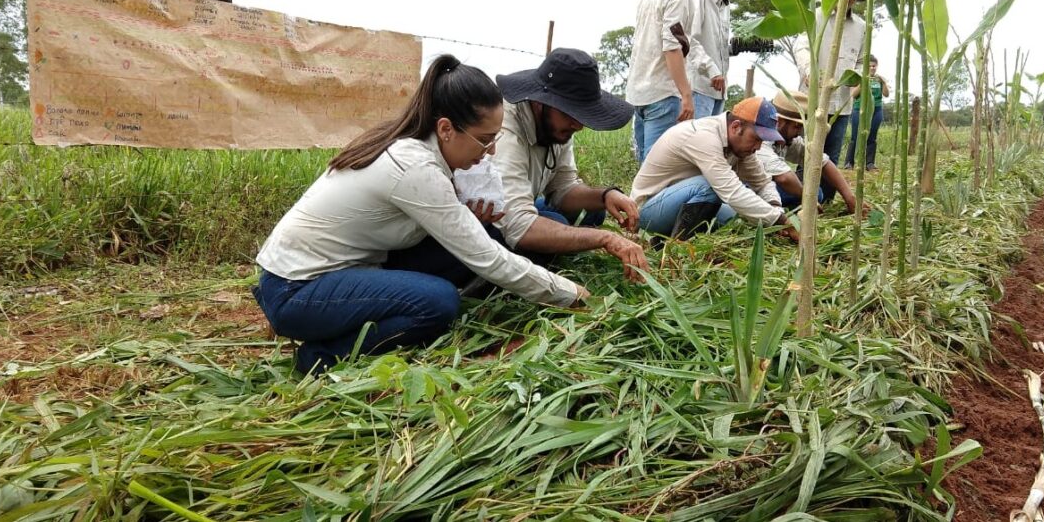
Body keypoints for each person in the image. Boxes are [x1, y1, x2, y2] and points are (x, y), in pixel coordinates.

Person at [252, 55, 588, 375]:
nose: (491, 152)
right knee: (436, 303)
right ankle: (321, 356)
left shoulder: (419, 148)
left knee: (481, 234)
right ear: (445, 129)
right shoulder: (415, 167)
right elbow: (489, 260)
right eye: (485, 141)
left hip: (340, 271)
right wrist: (571, 295)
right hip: (295, 289)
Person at [490, 48, 650, 282]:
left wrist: (606, 195)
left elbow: (563, 188)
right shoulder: (505, 128)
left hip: (521, 202)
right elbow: (518, 225)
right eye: (570, 113)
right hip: (490, 218)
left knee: (593, 212)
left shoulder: (558, 125)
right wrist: (605, 239)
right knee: (557, 225)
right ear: (539, 103)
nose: (578, 125)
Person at [632, 96, 799, 242]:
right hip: (647, 211)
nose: (758, 147)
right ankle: (678, 249)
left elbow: (762, 182)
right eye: (756, 139)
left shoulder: (741, 148)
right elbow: (731, 191)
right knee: (710, 186)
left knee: (743, 215)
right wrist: (781, 220)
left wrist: (775, 207)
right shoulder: (704, 137)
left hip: (678, 203)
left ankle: (660, 242)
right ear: (735, 127)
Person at [627, 0, 722, 162]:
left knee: (645, 167)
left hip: (639, 92)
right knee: (657, 169)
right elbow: (672, 47)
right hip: (662, 93)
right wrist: (686, 95)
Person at [793, 0, 868, 201]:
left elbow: (862, 60)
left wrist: (858, 77)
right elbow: (801, 47)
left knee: (832, 155)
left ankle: (825, 202)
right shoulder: (817, 18)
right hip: (813, 101)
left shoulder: (862, 27)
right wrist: (809, 71)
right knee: (807, 153)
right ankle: (801, 200)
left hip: (842, 104)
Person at [765, 90, 860, 214]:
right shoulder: (761, 142)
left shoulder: (788, 140)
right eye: (797, 126)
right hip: (748, 189)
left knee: (816, 192)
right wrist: (808, 199)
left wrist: (850, 198)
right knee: (807, 194)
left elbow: (823, 161)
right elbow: (784, 178)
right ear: (779, 122)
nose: (799, 132)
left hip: (768, 188)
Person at [688, 0, 747, 118]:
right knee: (698, 141)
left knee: (711, 142)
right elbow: (689, 39)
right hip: (699, 88)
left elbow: (712, 45)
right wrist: (712, 69)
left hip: (719, 91)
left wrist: (732, 49)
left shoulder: (725, 2)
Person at [844, 55, 889, 170]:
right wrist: (863, 81)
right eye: (869, 66)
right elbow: (853, 95)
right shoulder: (860, 78)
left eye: (874, 66)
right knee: (855, 136)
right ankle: (849, 163)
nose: (872, 68)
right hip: (860, 109)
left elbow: (886, 94)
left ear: (877, 66)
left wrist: (884, 82)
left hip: (876, 110)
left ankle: (870, 163)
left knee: (872, 137)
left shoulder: (879, 79)